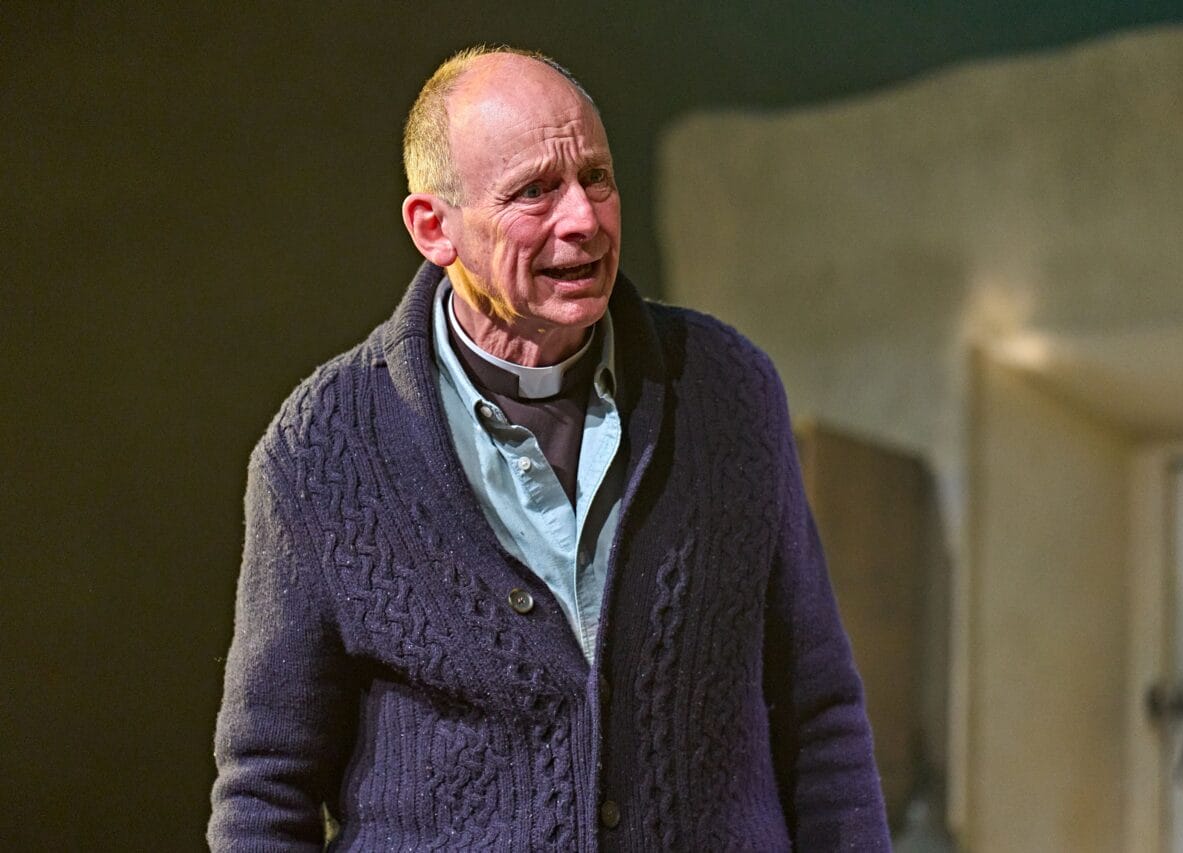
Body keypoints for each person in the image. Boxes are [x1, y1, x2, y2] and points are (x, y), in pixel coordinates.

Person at [208, 45, 889, 851]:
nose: (586, 220)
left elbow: (820, 715)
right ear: (435, 228)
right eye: (535, 191)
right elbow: (265, 789)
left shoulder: (728, 391)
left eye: (596, 177)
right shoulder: (323, 449)